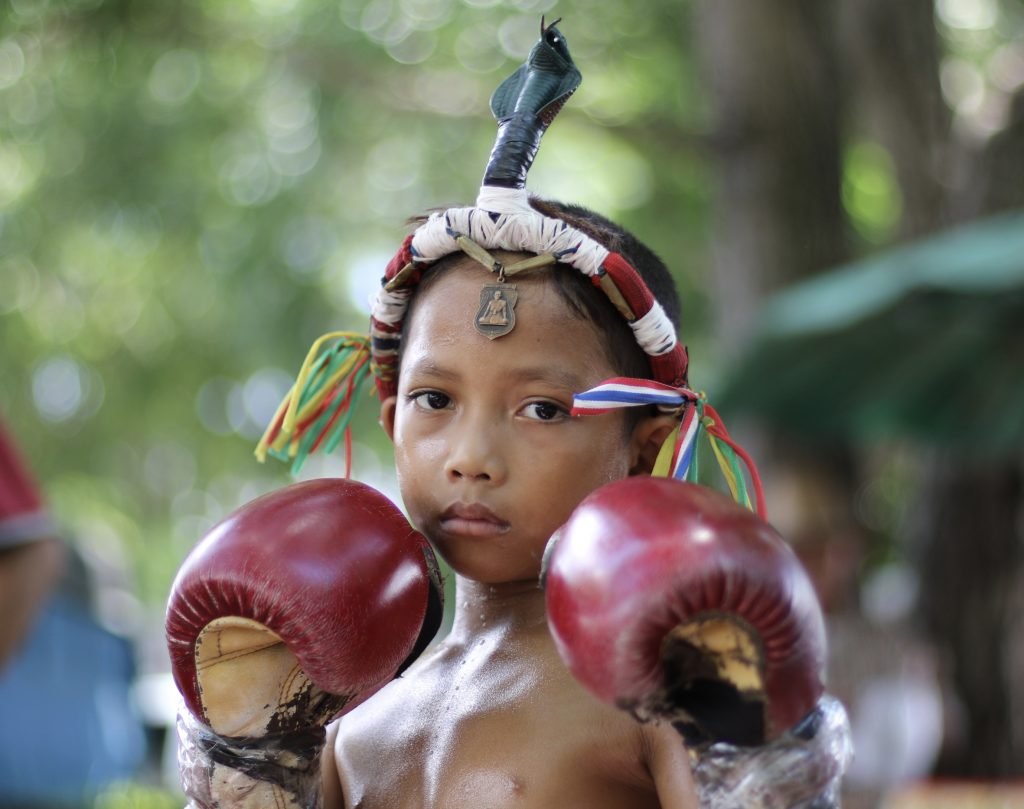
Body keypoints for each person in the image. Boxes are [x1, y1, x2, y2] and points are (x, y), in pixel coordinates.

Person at [170, 19, 850, 809]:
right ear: (391, 419)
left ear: (646, 445)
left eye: (541, 408)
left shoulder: (656, 701)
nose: (472, 454)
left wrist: (748, 733)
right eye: (435, 399)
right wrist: (255, 745)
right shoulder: (348, 713)